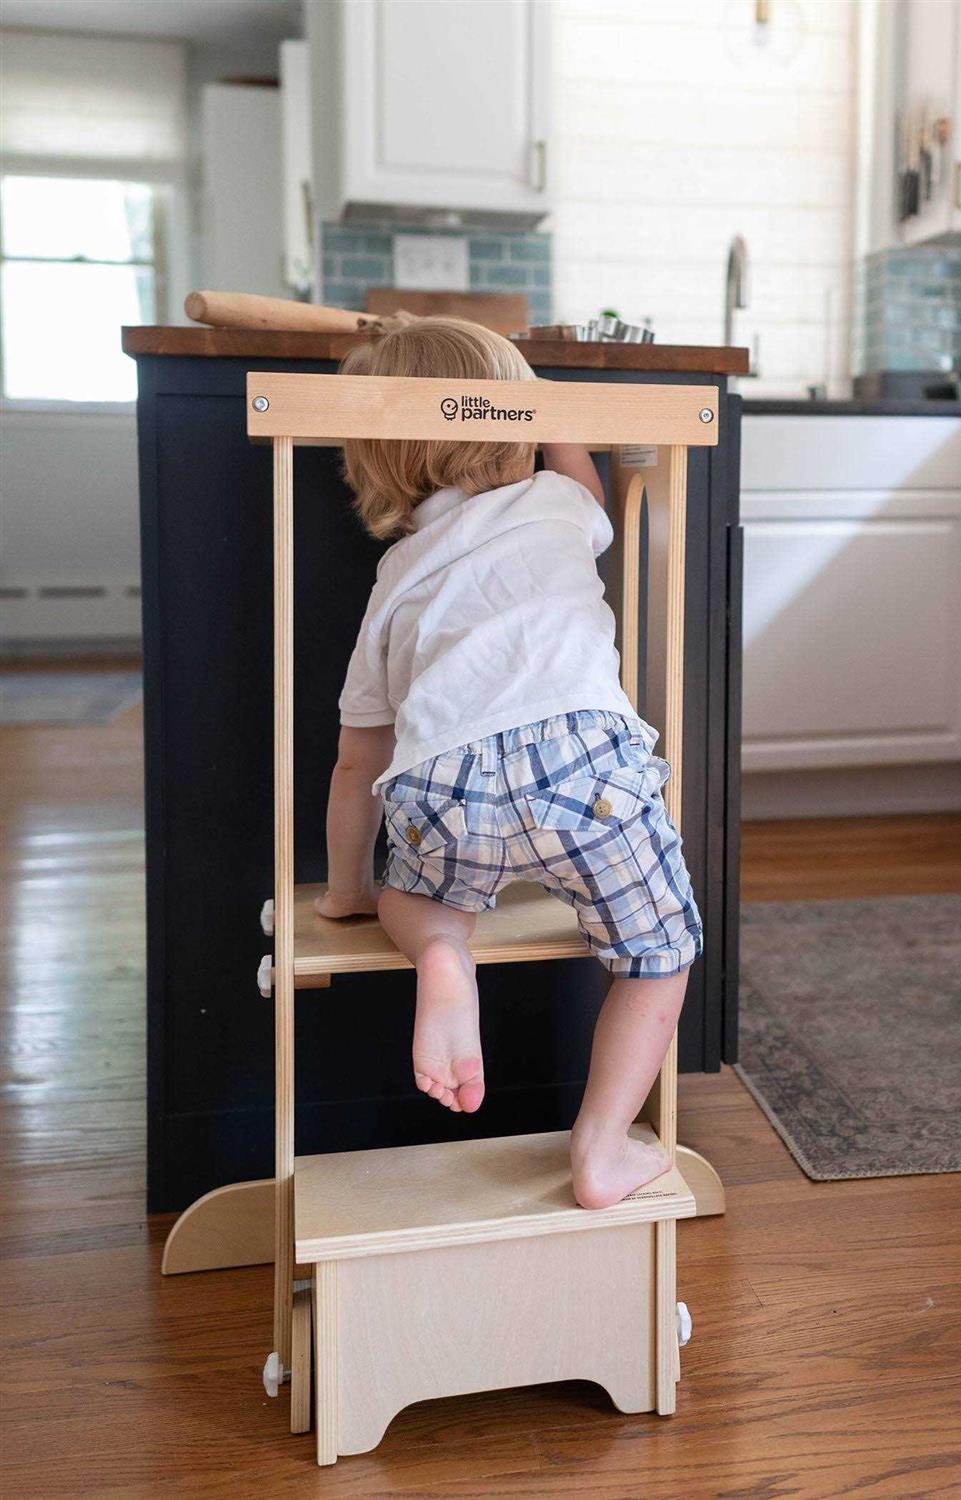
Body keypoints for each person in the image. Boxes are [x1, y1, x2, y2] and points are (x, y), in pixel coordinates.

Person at [316, 317, 701, 1209]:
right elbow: (582, 477)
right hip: (587, 774)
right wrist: (548, 407)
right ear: (519, 423)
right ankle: (600, 1147)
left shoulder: (395, 579)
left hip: (445, 791)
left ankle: (443, 955)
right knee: (658, 955)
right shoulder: (560, 506)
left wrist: (348, 890)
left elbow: (354, 761)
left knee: (415, 898)